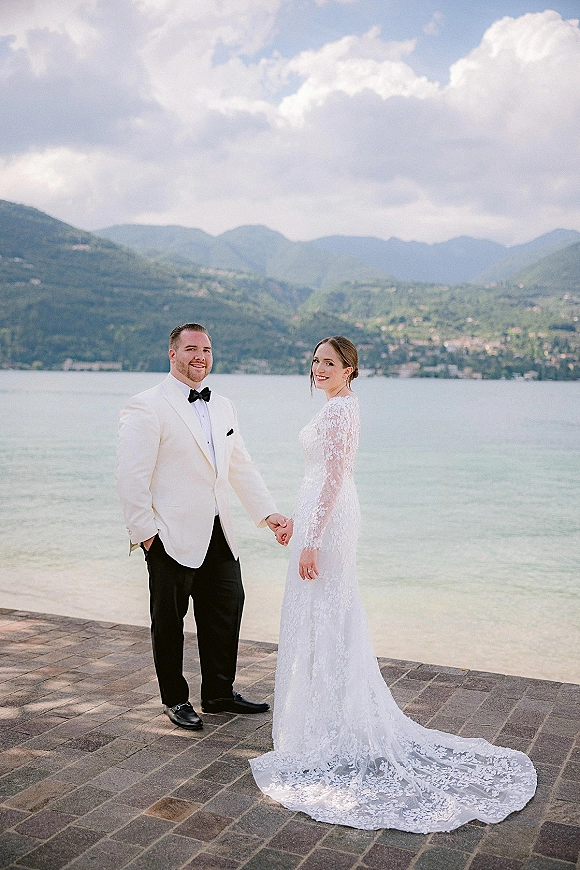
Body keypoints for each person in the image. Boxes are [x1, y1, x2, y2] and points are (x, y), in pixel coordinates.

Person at [250, 336, 537, 832]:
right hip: (320, 516)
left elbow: (336, 477)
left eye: (329, 363)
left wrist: (314, 537)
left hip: (331, 523)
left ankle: (332, 726)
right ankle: (324, 721)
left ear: (350, 370)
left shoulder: (341, 411)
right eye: (315, 361)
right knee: (323, 616)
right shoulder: (338, 406)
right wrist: (298, 523)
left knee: (329, 615)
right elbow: (319, 479)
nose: (319, 368)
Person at [116, 322, 288, 731]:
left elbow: (239, 465)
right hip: (168, 537)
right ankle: (175, 699)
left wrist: (268, 514)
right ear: (172, 354)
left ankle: (218, 693)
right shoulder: (146, 405)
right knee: (169, 621)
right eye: (191, 349)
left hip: (218, 532)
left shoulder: (224, 405)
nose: (200, 357)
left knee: (227, 608)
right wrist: (145, 536)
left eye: (207, 350)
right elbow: (130, 477)